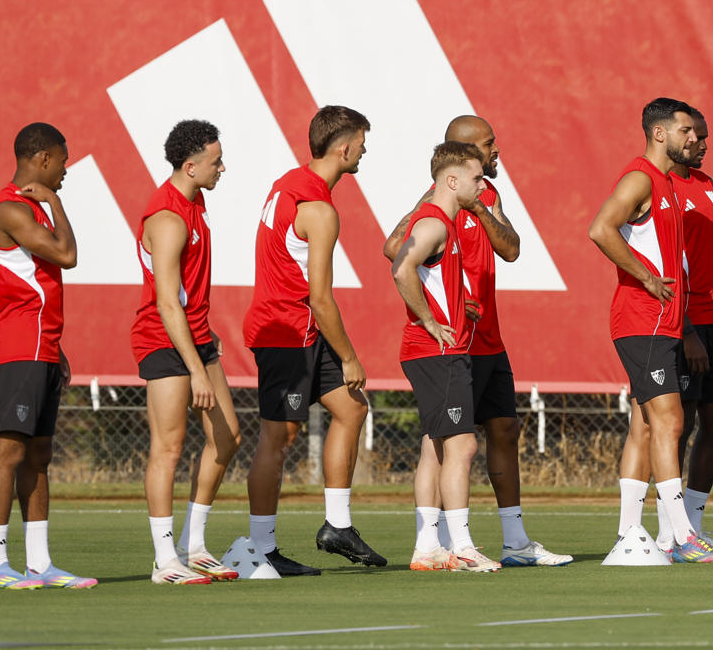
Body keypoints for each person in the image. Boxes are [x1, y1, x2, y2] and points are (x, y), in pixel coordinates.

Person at [382, 115, 570, 567]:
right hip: (451, 342)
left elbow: (511, 248)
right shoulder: (435, 203)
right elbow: (395, 250)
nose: (496, 152)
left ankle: (516, 541)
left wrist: (482, 208)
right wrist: (443, 299)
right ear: (463, 152)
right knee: (444, 442)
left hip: (488, 339)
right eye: (489, 145)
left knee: (503, 429)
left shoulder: (485, 196)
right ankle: (439, 542)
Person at [242, 105, 384, 574]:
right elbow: (320, 298)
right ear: (343, 148)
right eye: (362, 143)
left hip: (297, 327)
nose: (365, 151)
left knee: (351, 407)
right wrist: (350, 356)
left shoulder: (289, 183)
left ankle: (337, 526)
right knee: (278, 437)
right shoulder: (318, 208)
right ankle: (260, 550)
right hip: (287, 331)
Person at [586, 97, 713, 563]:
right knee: (670, 421)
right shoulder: (641, 176)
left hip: (663, 323)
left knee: (649, 426)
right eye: (686, 130)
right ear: (660, 133)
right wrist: (645, 276)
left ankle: (631, 534)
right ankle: (682, 536)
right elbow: (600, 228)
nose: (695, 138)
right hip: (641, 322)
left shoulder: (667, 183)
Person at [0, 122, 94, 588]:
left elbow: (39, 283)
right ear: (42, 159)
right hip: (17, 344)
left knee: (39, 454)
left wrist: (57, 346)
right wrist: (56, 204)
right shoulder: (8, 207)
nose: (66, 170)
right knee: (10, 449)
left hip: (41, 344)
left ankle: (41, 565)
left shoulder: (32, 210)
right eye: (63, 161)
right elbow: (67, 256)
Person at [132, 120, 242, 583]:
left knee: (228, 436)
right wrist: (197, 370)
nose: (223, 168)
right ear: (191, 165)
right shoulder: (168, 217)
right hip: (163, 339)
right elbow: (165, 303)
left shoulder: (196, 205)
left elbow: (188, 295)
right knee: (169, 447)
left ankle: (193, 545)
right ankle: (164, 559)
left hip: (195, 337)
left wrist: (205, 342)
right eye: (216, 162)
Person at [394, 141, 499, 573]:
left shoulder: (442, 223)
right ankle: (462, 547)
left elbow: (420, 273)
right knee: (464, 444)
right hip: (439, 352)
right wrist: (431, 321)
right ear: (451, 180)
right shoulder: (435, 221)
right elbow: (401, 267)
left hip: (434, 350)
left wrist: (454, 306)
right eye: (476, 177)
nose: (482, 184)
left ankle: (427, 548)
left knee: (435, 449)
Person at [662, 107, 713, 555]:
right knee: (681, 424)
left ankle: (691, 525)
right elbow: (669, 262)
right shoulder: (662, 186)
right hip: (680, 324)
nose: (702, 142)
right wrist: (689, 328)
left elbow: (711, 252)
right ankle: (669, 530)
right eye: (694, 134)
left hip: (712, 321)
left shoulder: (708, 185)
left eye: (705, 135)